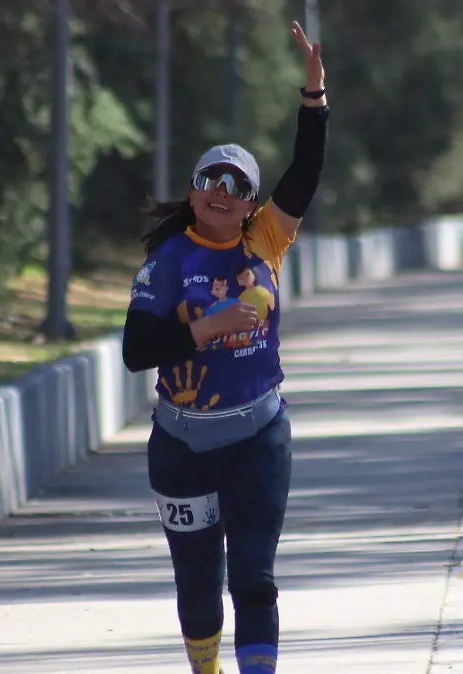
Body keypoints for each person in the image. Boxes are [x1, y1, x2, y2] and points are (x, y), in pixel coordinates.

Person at [121, 21, 327, 674]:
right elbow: (135, 349)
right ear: (193, 192)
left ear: (251, 206)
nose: (222, 191)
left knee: (254, 580)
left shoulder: (265, 240)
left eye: (238, 186)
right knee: (198, 585)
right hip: (180, 448)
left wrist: (314, 95)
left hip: (257, 440)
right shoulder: (167, 261)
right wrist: (202, 331)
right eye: (211, 179)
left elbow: (305, 171)